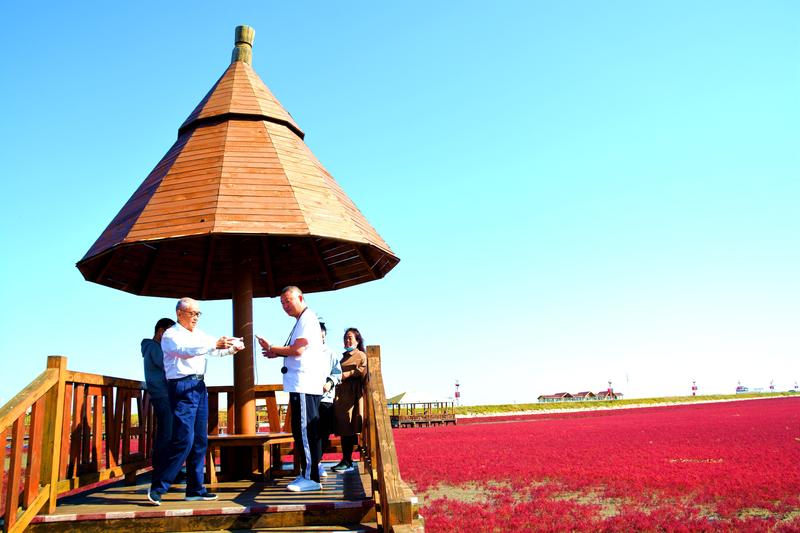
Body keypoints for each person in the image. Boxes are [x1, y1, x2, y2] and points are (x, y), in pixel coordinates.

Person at [147, 297, 244, 506]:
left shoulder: (199, 335)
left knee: (200, 439)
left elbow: (214, 350)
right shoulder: (171, 335)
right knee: (184, 439)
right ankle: (158, 487)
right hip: (181, 386)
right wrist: (212, 344)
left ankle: (195, 489)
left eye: (198, 314)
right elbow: (185, 351)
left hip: (199, 386)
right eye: (192, 313)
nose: (196, 318)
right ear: (179, 313)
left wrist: (231, 349)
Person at [257, 286, 328, 492]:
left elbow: (298, 350)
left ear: (300, 297)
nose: (285, 306)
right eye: (282, 303)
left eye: (288, 301)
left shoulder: (307, 319)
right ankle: (307, 473)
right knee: (302, 430)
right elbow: (296, 351)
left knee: (305, 431)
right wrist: (277, 353)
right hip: (300, 384)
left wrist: (272, 348)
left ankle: (311, 477)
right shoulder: (301, 320)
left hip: (305, 383)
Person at [141, 317, 176, 475]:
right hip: (162, 394)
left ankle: (166, 468)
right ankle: (163, 469)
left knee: (167, 431)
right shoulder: (154, 348)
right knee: (167, 432)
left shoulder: (152, 347)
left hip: (162, 394)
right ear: (161, 332)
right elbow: (168, 367)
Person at [331, 328, 367, 473]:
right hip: (341, 395)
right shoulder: (343, 357)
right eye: (345, 338)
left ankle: (347, 460)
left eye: (350, 337)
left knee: (349, 428)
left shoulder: (361, 355)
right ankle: (346, 459)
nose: (347, 340)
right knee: (343, 428)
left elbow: (364, 370)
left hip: (352, 396)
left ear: (357, 340)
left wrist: (348, 374)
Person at [318, 321, 342, 479]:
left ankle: (318, 463)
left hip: (325, 398)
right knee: (308, 432)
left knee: (323, 432)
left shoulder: (331, 354)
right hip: (307, 397)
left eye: (322, 334)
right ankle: (310, 464)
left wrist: (329, 383)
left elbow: (337, 373)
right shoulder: (303, 351)